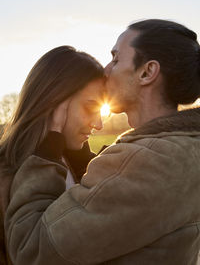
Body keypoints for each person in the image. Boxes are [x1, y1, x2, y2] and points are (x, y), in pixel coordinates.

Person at [4, 19, 200, 265]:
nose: (107, 69)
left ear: (147, 72)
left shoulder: (149, 159)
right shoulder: (184, 147)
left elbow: (34, 250)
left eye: (116, 59)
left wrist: (47, 155)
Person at [0, 45, 105, 265]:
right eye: (90, 108)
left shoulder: (78, 165)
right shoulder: (5, 177)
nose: (99, 124)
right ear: (55, 102)